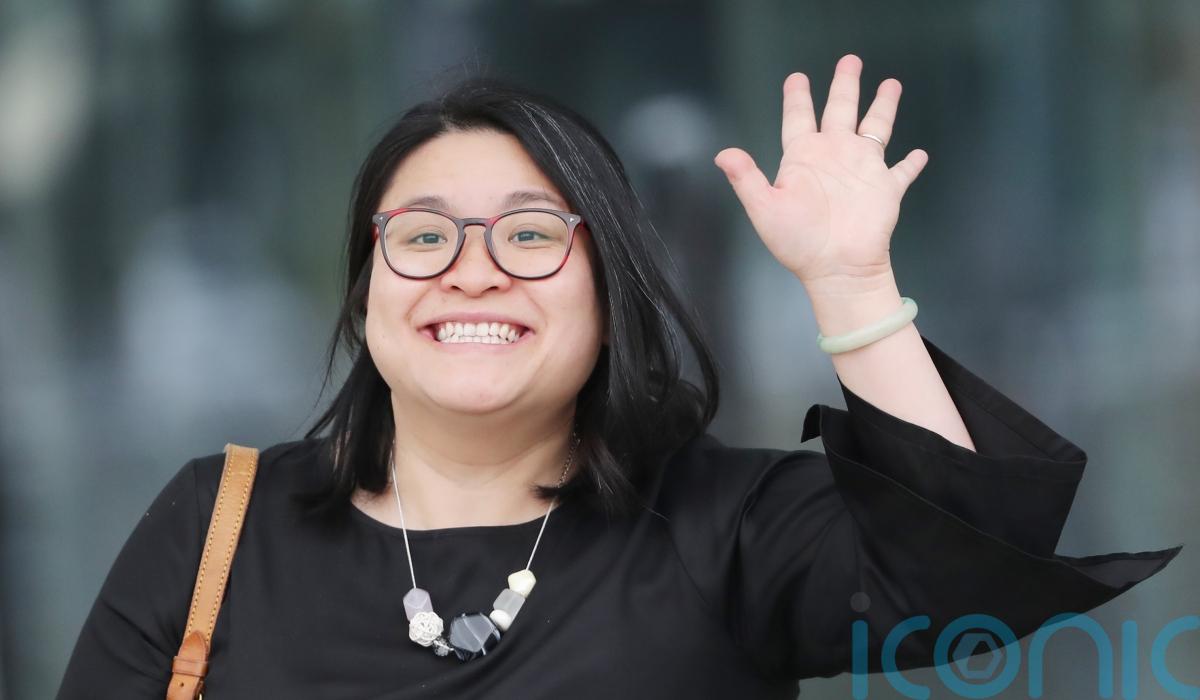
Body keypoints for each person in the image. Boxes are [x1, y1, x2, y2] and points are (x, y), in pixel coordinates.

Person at [57, 55, 1181, 699]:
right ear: (366, 293)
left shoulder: (724, 524)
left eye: (531, 235)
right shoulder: (217, 523)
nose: (473, 272)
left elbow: (972, 570)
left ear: (611, 297)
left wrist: (851, 284)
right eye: (424, 237)